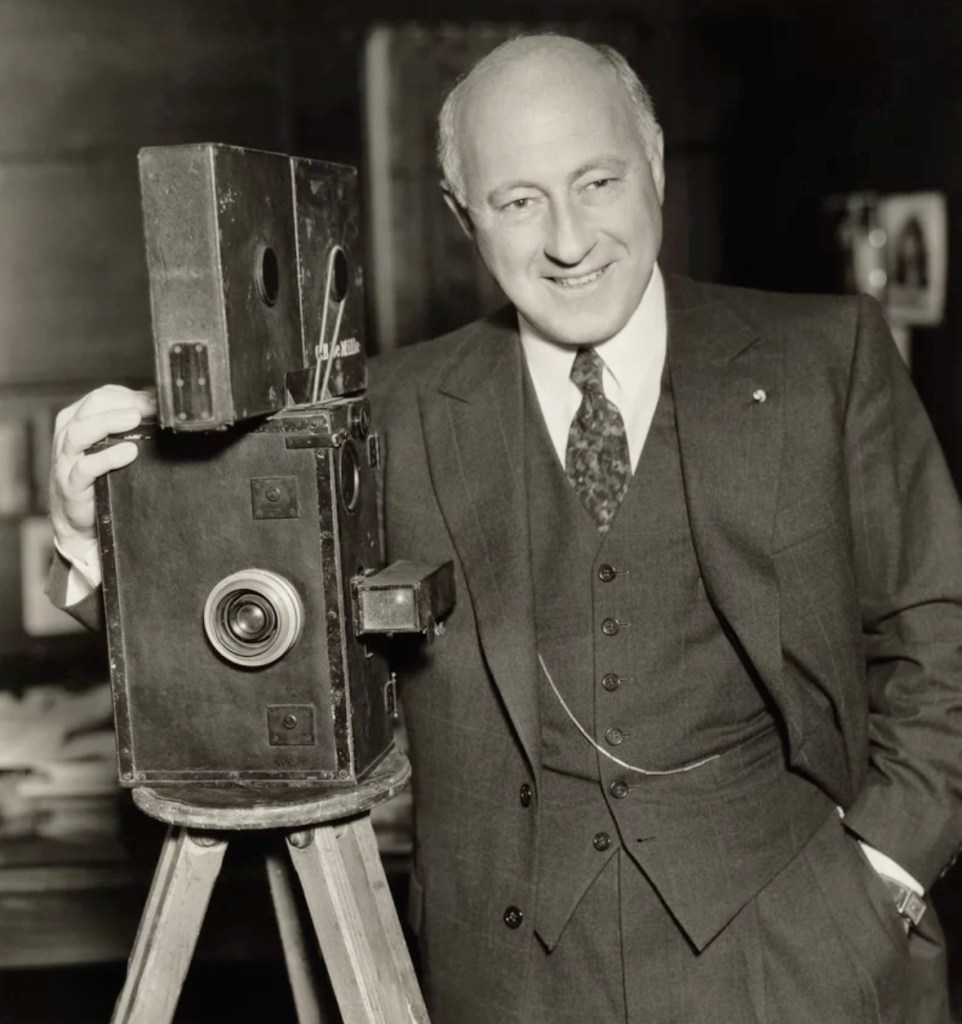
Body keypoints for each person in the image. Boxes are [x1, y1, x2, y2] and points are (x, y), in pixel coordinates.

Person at [49, 34, 962, 1024]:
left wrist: (882, 866)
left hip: (803, 964)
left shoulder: (822, 360)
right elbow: (254, 667)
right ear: (460, 217)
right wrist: (93, 539)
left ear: (652, 164)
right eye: (517, 201)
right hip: (508, 981)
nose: (567, 239)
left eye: (597, 181)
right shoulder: (383, 415)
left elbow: (938, 632)